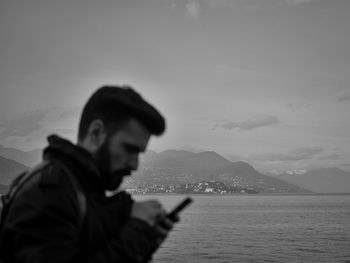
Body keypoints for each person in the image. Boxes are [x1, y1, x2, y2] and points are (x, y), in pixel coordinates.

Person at [0, 86, 178, 263]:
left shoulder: (79, 190)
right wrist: (135, 231)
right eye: (129, 149)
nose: (135, 164)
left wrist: (144, 243)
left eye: (139, 153)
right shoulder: (48, 194)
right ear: (96, 133)